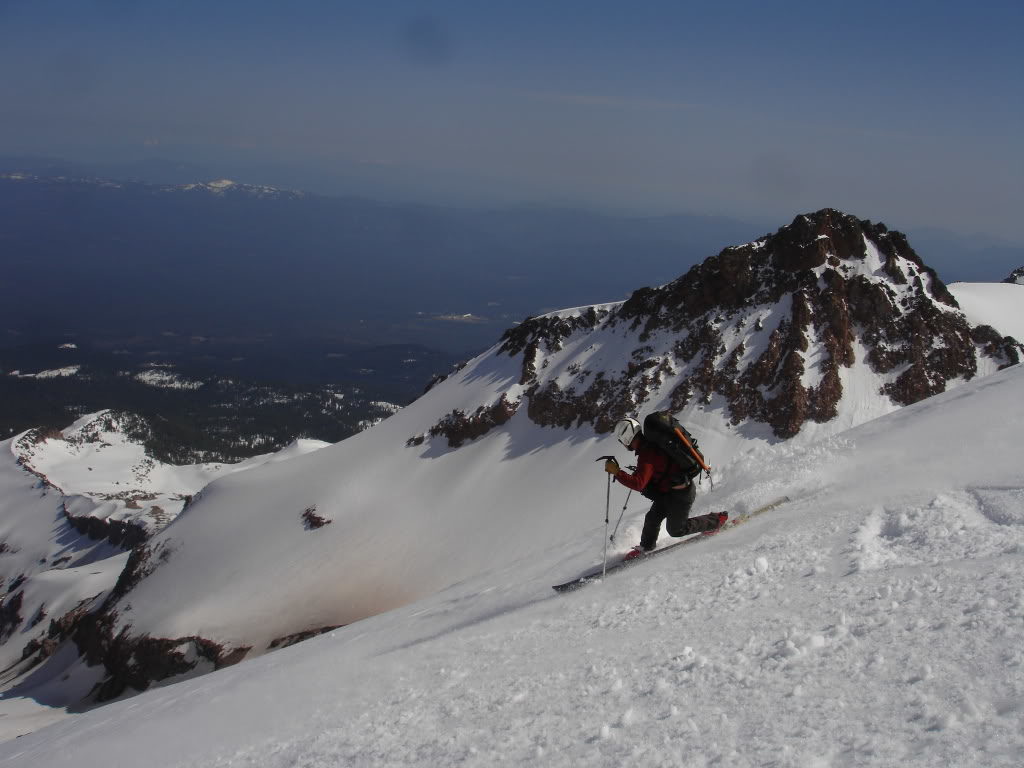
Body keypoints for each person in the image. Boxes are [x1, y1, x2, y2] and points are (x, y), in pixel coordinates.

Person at [604, 417, 727, 560]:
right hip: (668, 492)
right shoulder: (649, 447)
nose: (622, 444)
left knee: (676, 530)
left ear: (626, 438)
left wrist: (618, 473)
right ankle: (646, 546)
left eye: (621, 440)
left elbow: (639, 483)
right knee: (652, 517)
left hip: (681, 493)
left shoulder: (647, 453)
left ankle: (716, 520)